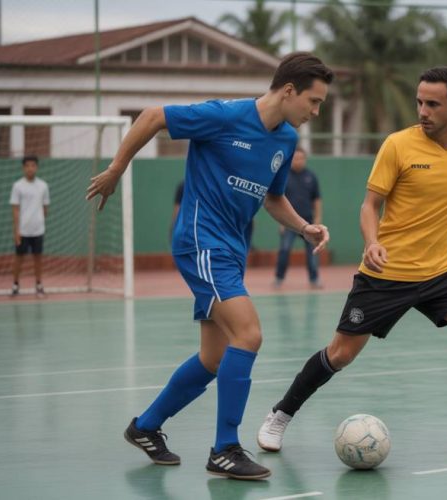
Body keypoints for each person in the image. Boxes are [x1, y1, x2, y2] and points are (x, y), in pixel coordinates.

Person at [86, 52, 334, 480]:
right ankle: (225, 448)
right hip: (201, 242)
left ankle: (145, 426)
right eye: (313, 102)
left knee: (214, 357)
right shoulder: (224, 116)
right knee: (249, 334)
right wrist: (117, 166)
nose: (315, 112)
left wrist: (303, 227)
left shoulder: (286, 140)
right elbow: (151, 116)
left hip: (231, 250)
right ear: (289, 91)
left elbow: (272, 198)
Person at [257, 66, 447, 458]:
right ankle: (280, 414)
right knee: (340, 354)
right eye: (419, 102)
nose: (422, 110)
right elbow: (369, 205)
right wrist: (372, 242)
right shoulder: (398, 145)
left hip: (441, 271)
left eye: (433, 104)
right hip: (386, 272)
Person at [274, 146, 323, 288]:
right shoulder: (284, 176)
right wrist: (282, 222)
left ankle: (314, 279)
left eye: (301, 158)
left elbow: (317, 199)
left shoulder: (311, 176)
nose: (298, 161)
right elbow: (276, 200)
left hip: (309, 222)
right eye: (295, 158)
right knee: (284, 249)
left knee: (313, 251)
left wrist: (318, 219)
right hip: (289, 224)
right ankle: (279, 278)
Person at [10, 155, 50, 297]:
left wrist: (39, 220)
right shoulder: (17, 186)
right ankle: (15, 285)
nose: (30, 168)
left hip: (38, 230)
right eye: (27, 166)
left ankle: (39, 285)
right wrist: (17, 231)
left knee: (38, 258)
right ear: (23, 168)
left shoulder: (43, 186)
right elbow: (15, 209)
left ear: (36, 167)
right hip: (23, 231)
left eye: (33, 165)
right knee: (18, 258)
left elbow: (45, 208)